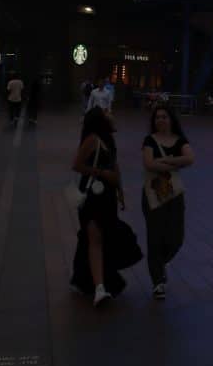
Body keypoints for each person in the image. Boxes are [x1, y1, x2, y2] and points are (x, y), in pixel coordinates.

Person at [71, 107, 132, 306]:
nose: (111, 115)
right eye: (107, 114)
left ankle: (83, 279)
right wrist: (101, 173)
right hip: (93, 194)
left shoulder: (109, 140)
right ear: (100, 120)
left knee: (97, 237)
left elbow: (115, 165)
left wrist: (119, 189)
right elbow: (77, 165)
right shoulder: (92, 140)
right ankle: (100, 289)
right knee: (95, 237)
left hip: (107, 195)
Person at [141, 104, 194, 300]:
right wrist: (175, 162)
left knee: (176, 237)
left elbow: (190, 158)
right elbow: (149, 163)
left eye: (164, 116)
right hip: (153, 194)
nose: (161, 120)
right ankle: (158, 281)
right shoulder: (149, 140)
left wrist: (164, 162)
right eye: (157, 117)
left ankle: (160, 263)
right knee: (154, 237)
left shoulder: (180, 140)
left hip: (174, 194)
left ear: (171, 119)